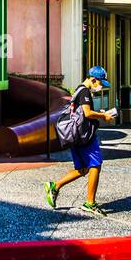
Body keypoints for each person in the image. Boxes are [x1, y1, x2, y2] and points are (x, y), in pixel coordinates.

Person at [44, 66, 117, 214]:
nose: (101, 87)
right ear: (93, 79)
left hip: (76, 135)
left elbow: (83, 112)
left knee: (82, 169)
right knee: (96, 165)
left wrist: (99, 113)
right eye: (100, 83)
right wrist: (105, 117)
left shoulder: (79, 89)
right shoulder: (85, 91)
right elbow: (87, 113)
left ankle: (55, 186)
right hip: (84, 136)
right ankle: (90, 203)